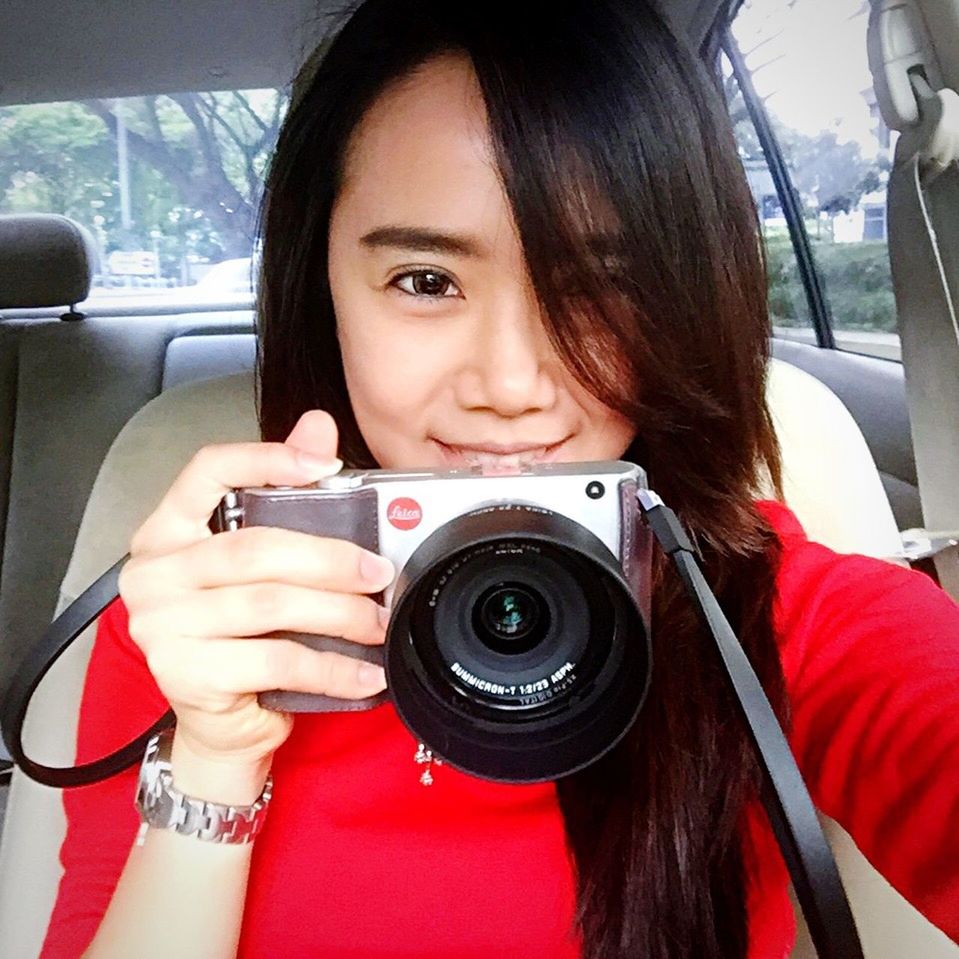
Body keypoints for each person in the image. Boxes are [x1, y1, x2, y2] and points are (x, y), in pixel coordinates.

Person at [41, 1, 959, 957]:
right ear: (322, 290)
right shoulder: (214, 609)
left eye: (604, 285)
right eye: (426, 281)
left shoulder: (766, 612)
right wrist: (215, 759)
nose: (512, 387)